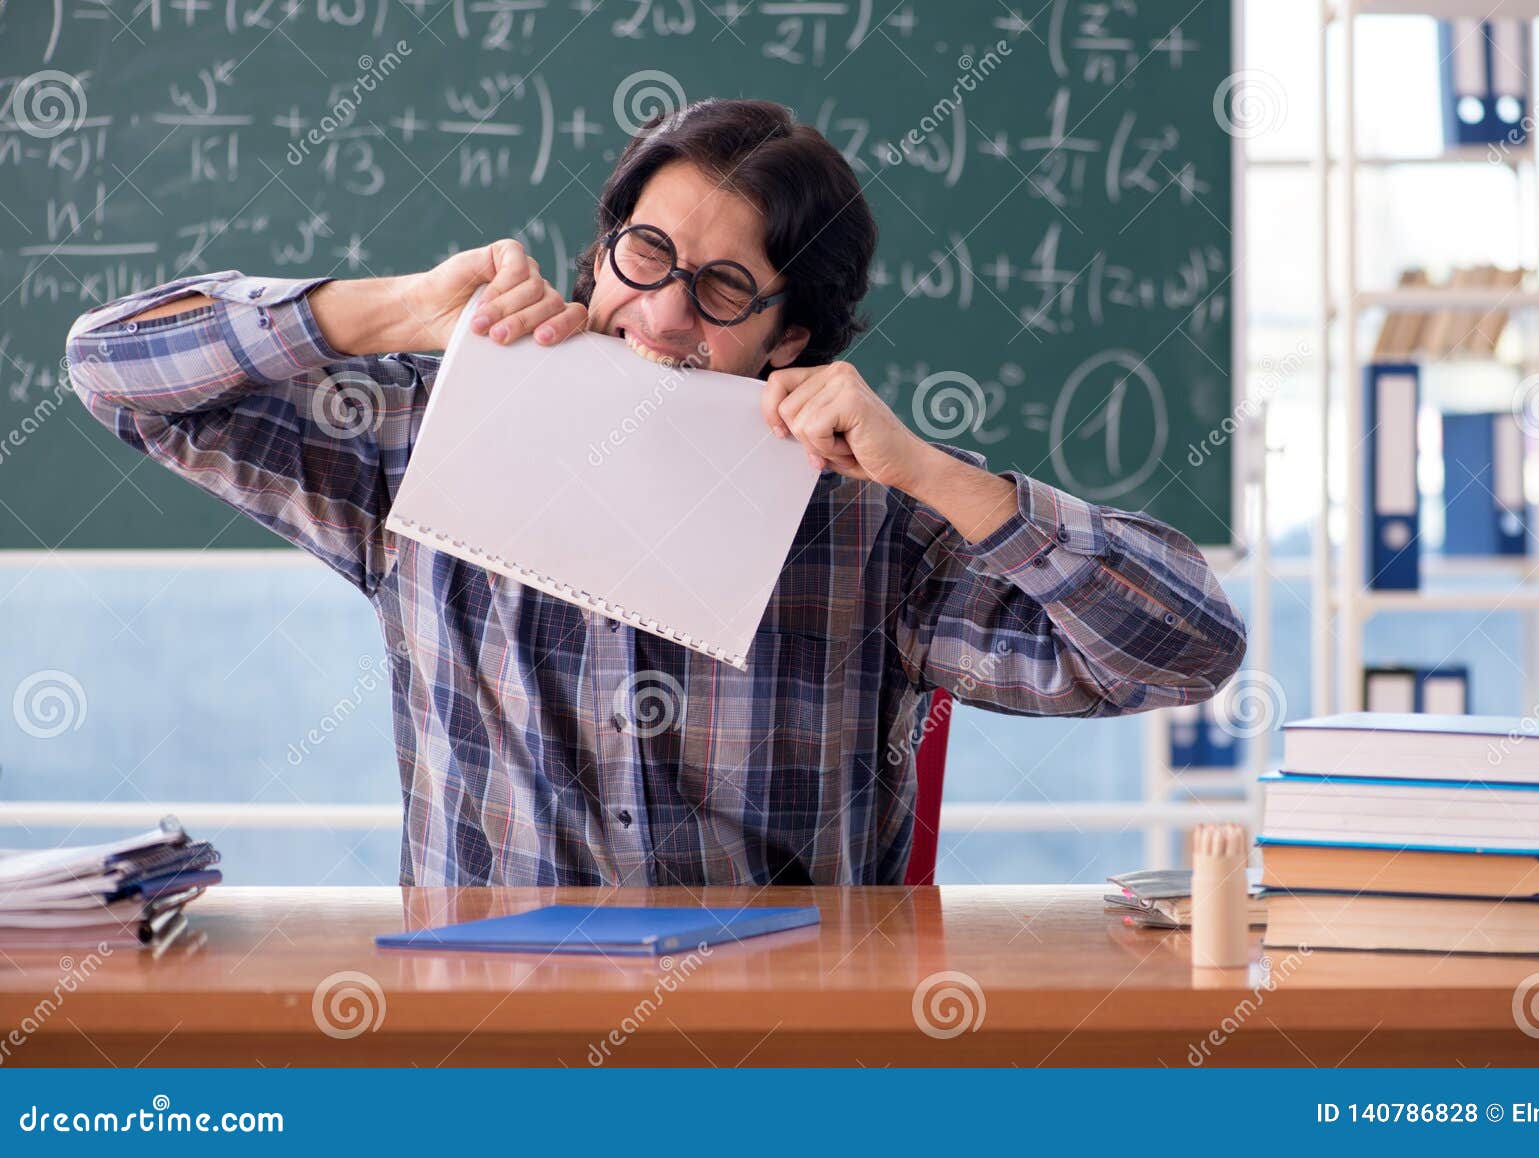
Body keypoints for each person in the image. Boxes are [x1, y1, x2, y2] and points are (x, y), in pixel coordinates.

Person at [66, 98, 1246, 887]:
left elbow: (1182, 652)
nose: (667, 313)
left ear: (797, 336)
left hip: (782, 1057)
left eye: (727, 288)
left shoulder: (872, 525)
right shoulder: (427, 435)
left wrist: (937, 475)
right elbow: (114, 372)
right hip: (490, 1045)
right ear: (600, 254)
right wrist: (397, 311)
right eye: (647, 256)